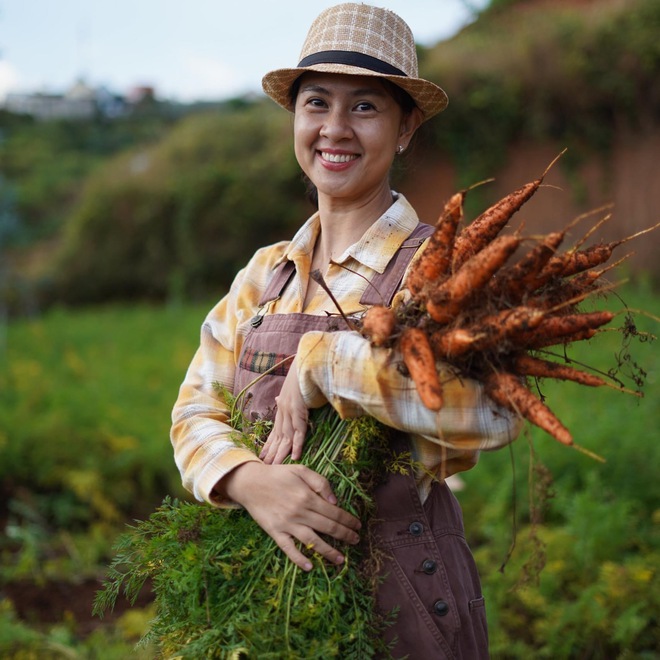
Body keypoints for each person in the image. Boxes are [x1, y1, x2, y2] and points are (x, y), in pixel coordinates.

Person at [171, 3, 522, 657]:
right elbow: (195, 410)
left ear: (406, 127)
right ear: (295, 119)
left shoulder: (437, 268)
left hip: (405, 603)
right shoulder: (263, 275)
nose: (335, 128)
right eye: (316, 104)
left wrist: (329, 362)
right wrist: (248, 480)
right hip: (271, 606)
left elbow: (496, 412)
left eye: (364, 107)